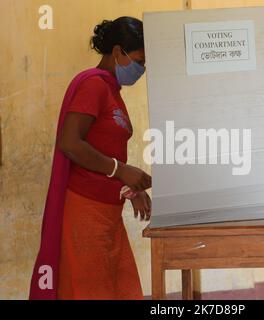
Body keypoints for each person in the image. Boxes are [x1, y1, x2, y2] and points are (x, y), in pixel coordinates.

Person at [29, 16, 151, 300]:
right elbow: (70, 144)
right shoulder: (93, 85)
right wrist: (121, 171)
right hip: (84, 214)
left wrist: (130, 189)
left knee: (121, 290)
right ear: (118, 52)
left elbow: (105, 152)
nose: (142, 70)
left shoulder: (111, 91)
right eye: (139, 61)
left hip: (108, 214)